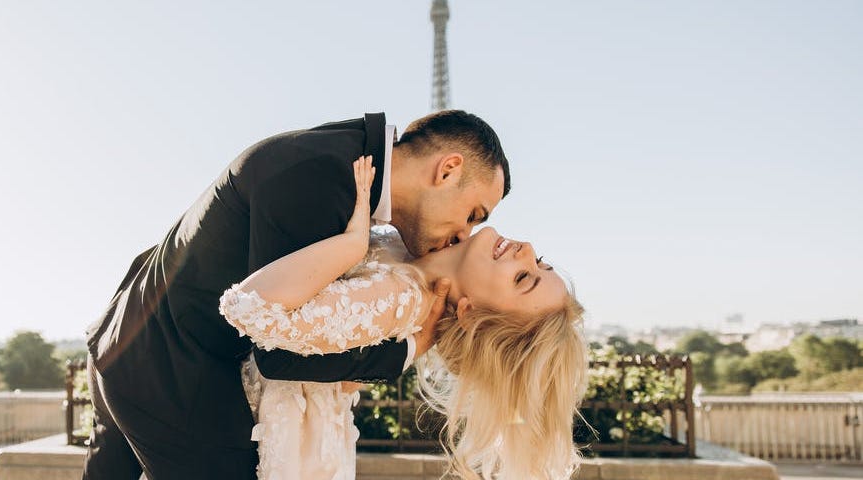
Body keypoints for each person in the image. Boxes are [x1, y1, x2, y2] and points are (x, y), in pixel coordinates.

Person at [83, 110, 509, 479]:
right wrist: (407, 350)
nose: (463, 235)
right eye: (472, 214)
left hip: (126, 335)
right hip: (168, 372)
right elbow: (280, 356)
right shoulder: (323, 180)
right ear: (448, 169)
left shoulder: (340, 159)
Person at [221, 156, 588, 480]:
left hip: (233, 419)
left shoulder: (404, 299)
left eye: (523, 278)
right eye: (540, 263)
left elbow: (252, 308)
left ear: (472, 313)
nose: (527, 252)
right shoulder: (413, 257)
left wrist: (351, 244)